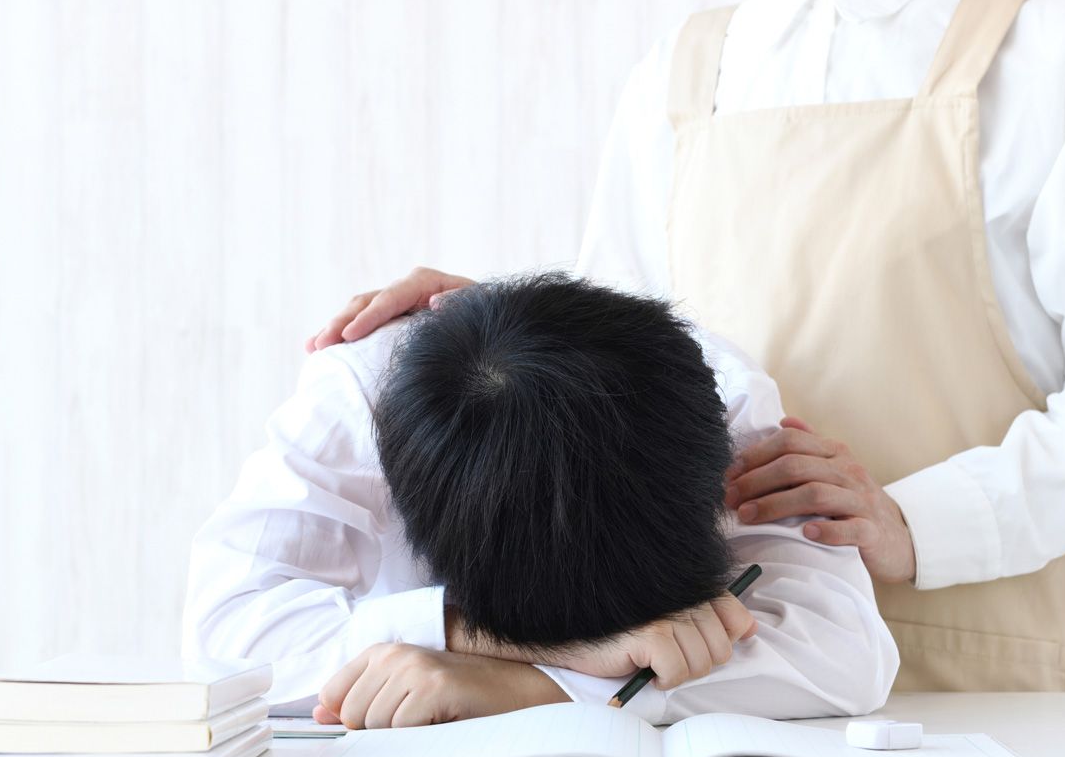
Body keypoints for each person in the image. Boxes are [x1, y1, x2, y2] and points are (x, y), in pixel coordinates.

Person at [306, 0, 1065, 691]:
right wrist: (488, 328)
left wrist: (918, 524)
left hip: (1014, 689)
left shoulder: (1061, 41)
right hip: (737, 681)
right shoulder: (688, 69)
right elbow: (620, 394)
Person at [183, 273, 899, 728]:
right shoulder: (355, 395)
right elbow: (221, 640)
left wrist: (522, 686)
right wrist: (490, 636)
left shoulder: (726, 403)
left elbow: (848, 652)